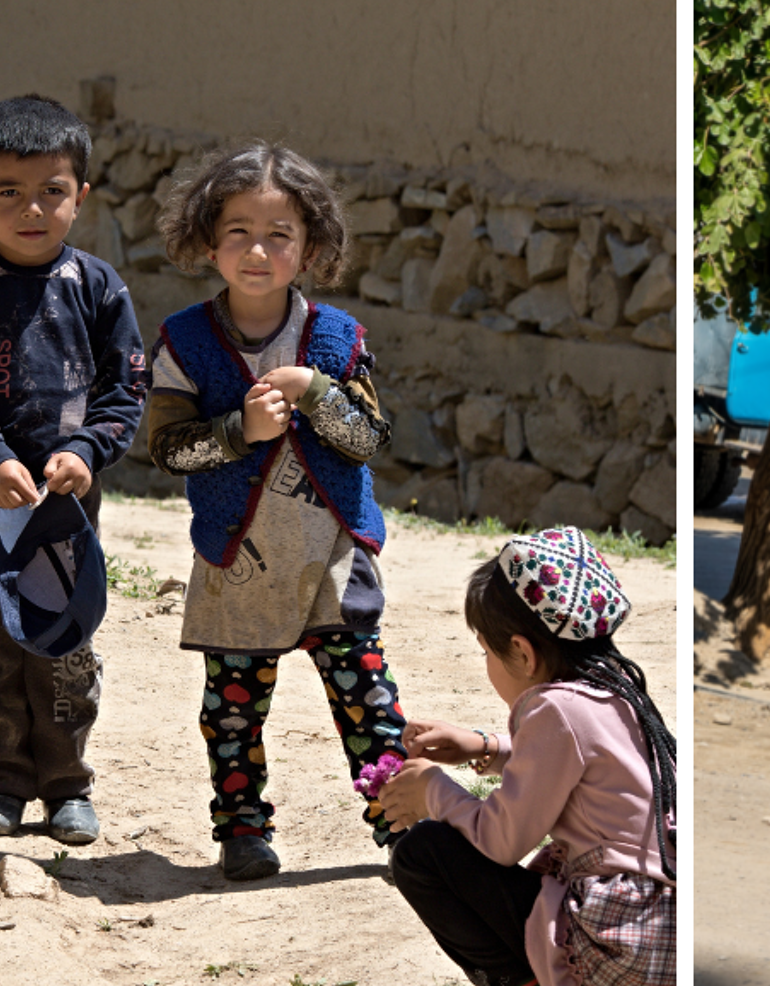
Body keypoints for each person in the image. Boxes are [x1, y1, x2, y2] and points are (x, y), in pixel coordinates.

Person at [146, 140, 400, 880]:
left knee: (366, 698)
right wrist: (239, 432)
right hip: (238, 556)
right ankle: (242, 831)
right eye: (238, 232)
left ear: (311, 246)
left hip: (333, 551)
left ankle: (403, 827)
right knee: (232, 708)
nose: (257, 250)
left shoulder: (336, 339)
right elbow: (168, 450)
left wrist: (317, 393)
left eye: (279, 235)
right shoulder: (185, 343)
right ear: (207, 240)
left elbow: (367, 440)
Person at [0, 95, 145, 845]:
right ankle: (3, 782)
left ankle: (66, 785)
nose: (32, 209)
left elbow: (126, 388)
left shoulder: (98, 287)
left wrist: (85, 453)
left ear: (80, 196)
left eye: (52, 191)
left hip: (65, 504)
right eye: (8, 193)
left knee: (62, 637)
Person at [381, 528, 676, 986]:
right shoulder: (614, 686)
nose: (487, 663)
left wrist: (432, 791)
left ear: (521, 652)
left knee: (424, 854)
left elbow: (501, 841)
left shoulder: (552, 709)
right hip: (659, 923)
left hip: (617, 942)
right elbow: (583, 760)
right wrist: (486, 747)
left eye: (486, 652)